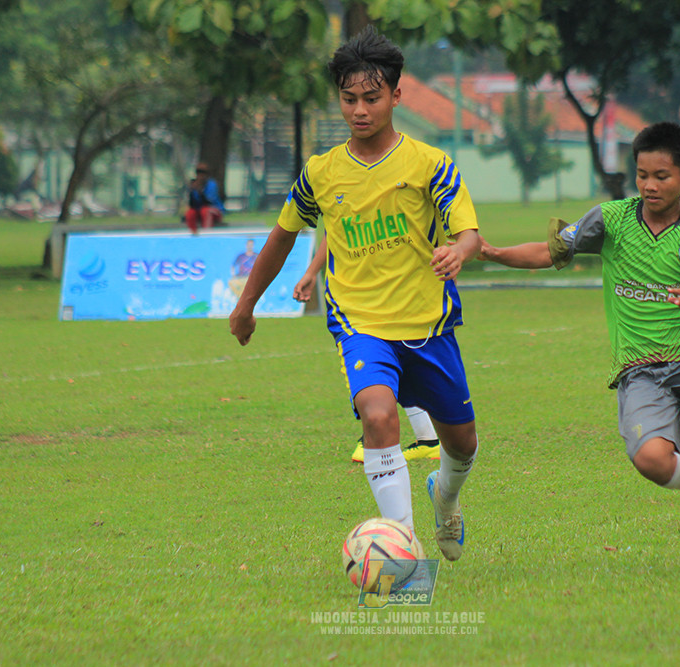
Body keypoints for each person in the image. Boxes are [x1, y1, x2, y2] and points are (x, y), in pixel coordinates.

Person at [479, 122, 680, 575]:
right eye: (642, 174)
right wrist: (489, 252)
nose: (649, 185)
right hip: (640, 366)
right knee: (651, 460)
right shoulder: (612, 219)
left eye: (662, 176)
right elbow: (551, 252)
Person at [229, 26, 480, 562]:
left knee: (462, 447)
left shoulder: (430, 163)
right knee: (378, 415)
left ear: (395, 94)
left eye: (371, 97)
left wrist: (459, 251)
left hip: (429, 327)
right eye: (349, 98)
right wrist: (246, 303)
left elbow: (469, 232)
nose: (359, 110)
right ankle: (403, 549)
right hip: (360, 324)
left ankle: (446, 496)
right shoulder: (320, 173)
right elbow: (282, 236)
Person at [293, 235, 441, 462]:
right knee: (391, 356)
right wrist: (312, 271)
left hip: (381, 292)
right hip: (371, 290)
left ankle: (380, 436)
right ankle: (428, 439)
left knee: (379, 359)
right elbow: (332, 231)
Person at [185, 162, 224, 233]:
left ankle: (207, 234)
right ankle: (193, 234)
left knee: (205, 211)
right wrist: (191, 191)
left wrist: (200, 191)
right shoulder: (195, 184)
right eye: (198, 172)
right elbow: (192, 204)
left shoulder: (212, 184)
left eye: (203, 172)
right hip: (200, 210)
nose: (200, 175)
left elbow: (209, 202)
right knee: (190, 213)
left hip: (214, 209)